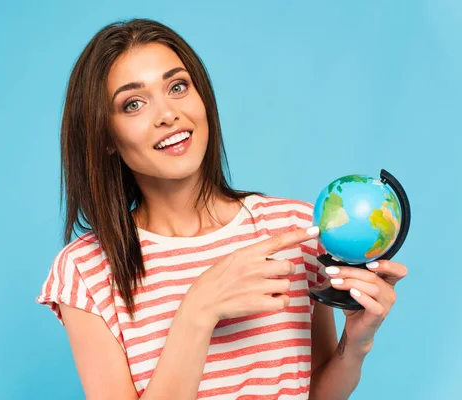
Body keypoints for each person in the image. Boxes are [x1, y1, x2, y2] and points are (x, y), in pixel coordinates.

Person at [36, 18, 407, 399]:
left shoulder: (292, 230)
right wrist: (198, 311)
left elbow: (316, 394)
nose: (167, 114)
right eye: (134, 104)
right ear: (106, 137)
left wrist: (356, 345)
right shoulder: (86, 271)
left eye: (177, 86)